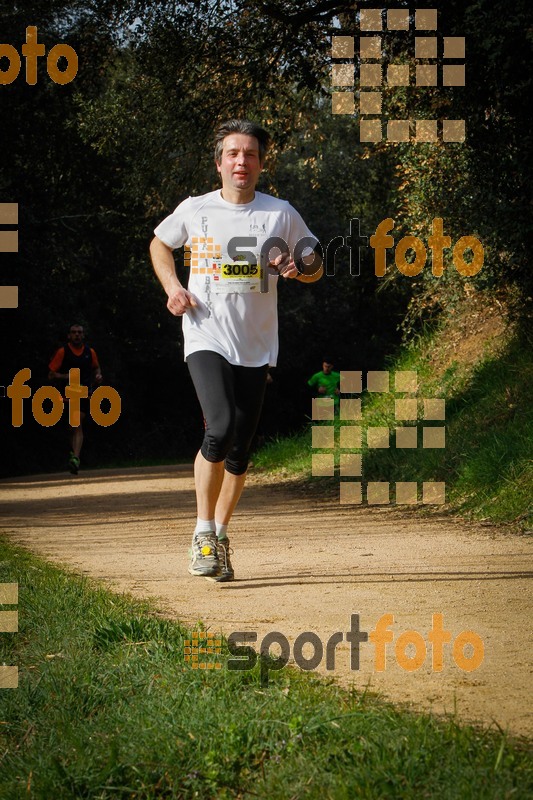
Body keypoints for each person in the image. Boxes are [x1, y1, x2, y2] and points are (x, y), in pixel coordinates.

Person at [150, 118, 323, 581]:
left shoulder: (279, 213)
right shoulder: (195, 209)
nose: (240, 161)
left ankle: (220, 537)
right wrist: (173, 287)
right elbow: (159, 244)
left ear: (261, 164)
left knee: (240, 451)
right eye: (232, 153)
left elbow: (314, 262)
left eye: (249, 154)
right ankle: (202, 532)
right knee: (220, 427)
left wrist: (296, 267)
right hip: (205, 333)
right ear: (219, 162)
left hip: (256, 344)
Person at [48, 324, 102, 474]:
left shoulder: (90, 352)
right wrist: (68, 376)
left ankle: (75, 459)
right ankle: (73, 453)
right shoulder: (62, 352)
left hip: (84, 393)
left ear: (83, 336)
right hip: (66, 394)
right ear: (69, 336)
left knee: (77, 423)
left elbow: (96, 368)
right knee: (71, 427)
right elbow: (51, 375)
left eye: (79, 333)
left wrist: (98, 375)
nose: (77, 335)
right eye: (74, 333)